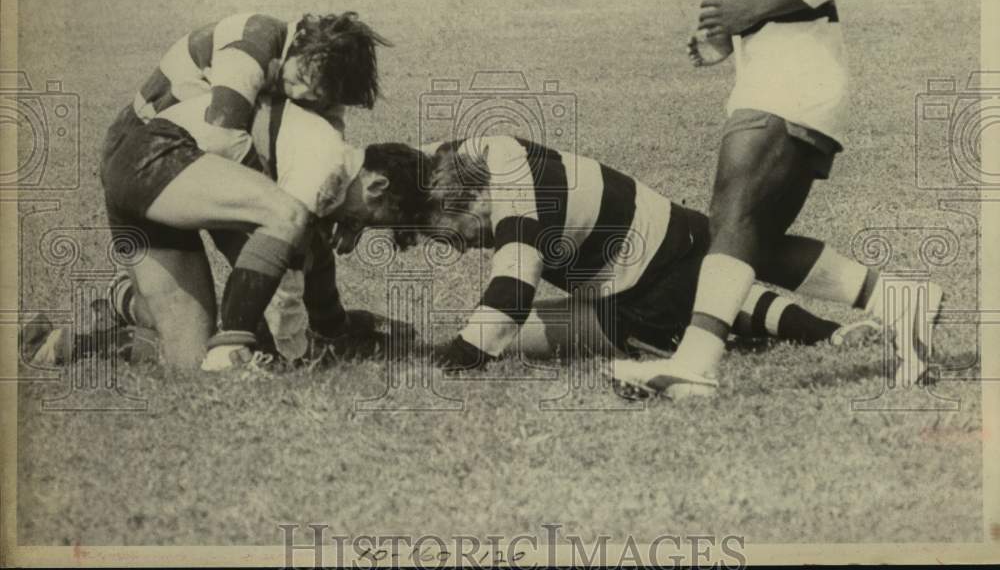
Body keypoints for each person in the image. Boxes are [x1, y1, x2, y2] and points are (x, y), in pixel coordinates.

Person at [620, 0, 941, 400]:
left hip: (793, 85)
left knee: (733, 218)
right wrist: (729, 38)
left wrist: (751, 9)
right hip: (778, 80)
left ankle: (695, 363)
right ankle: (900, 301)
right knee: (749, 242)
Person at [333, 136, 881, 372]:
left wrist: (458, 358)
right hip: (650, 256)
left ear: (476, 202)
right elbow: (404, 169)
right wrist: (356, 212)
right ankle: (829, 332)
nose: (471, 243)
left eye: (466, 233)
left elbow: (513, 288)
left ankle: (825, 332)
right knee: (715, 288)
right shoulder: (458, 159)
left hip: (651, 275)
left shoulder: (517, 200)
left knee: (701, 300)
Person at [26, 94, 422, 372]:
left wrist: (341, 330)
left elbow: (311, 265)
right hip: (158, 159)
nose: (359, 227)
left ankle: (101, 319)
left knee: (187, 359)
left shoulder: (323, 164)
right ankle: (231, 342)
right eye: (372, 219)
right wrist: (296, 353)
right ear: (377, 186)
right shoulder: (324, 170)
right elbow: (287, 280)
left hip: (141, 171)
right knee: (281, 256)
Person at [97, 11, 390, 370]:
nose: (299, 95)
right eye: (301, 79)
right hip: (151, 158)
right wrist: (275, 202)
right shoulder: (253, 41)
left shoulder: (324, 80)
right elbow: (222, 139)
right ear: (299, 42)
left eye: (316, 96)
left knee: (189, 358)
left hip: (191, 166)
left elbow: (324, 166)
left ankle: (123, 302)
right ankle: (289, 341)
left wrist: (344, 216)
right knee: (282, 236)